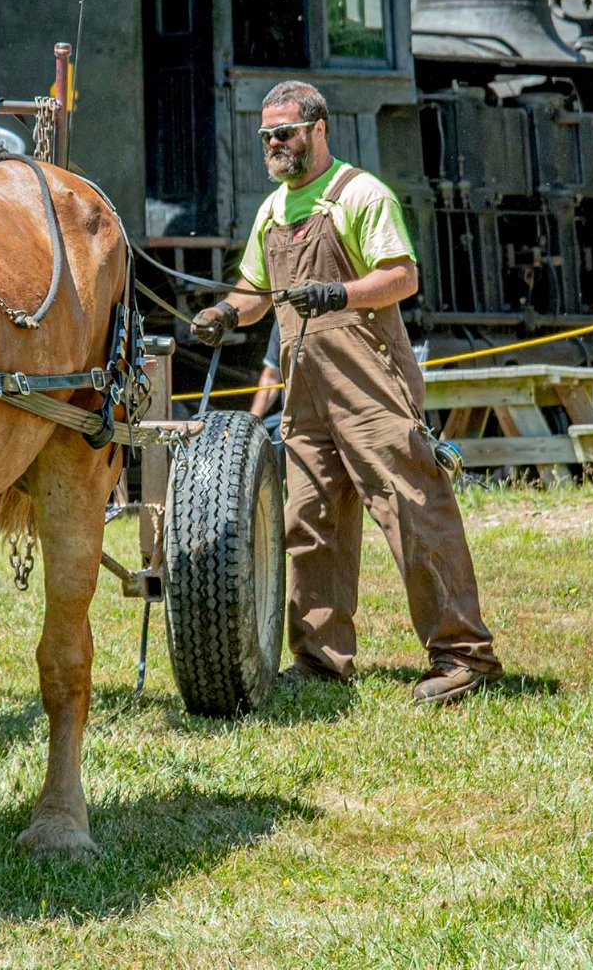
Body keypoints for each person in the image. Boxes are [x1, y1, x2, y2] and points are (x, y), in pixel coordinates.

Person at [192, 80, 502, 704]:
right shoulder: (273, 210)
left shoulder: (359, 193)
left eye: (285, 132)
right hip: (305, 396)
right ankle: (319, 657)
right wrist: (226, 312)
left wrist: (339, 293)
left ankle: (464, 655)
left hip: (370, 385)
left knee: (413, 507)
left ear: (318, 129)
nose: (275, 144)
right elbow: (256, 293)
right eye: (266, 136)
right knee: (309, 523)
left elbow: (402, 277)